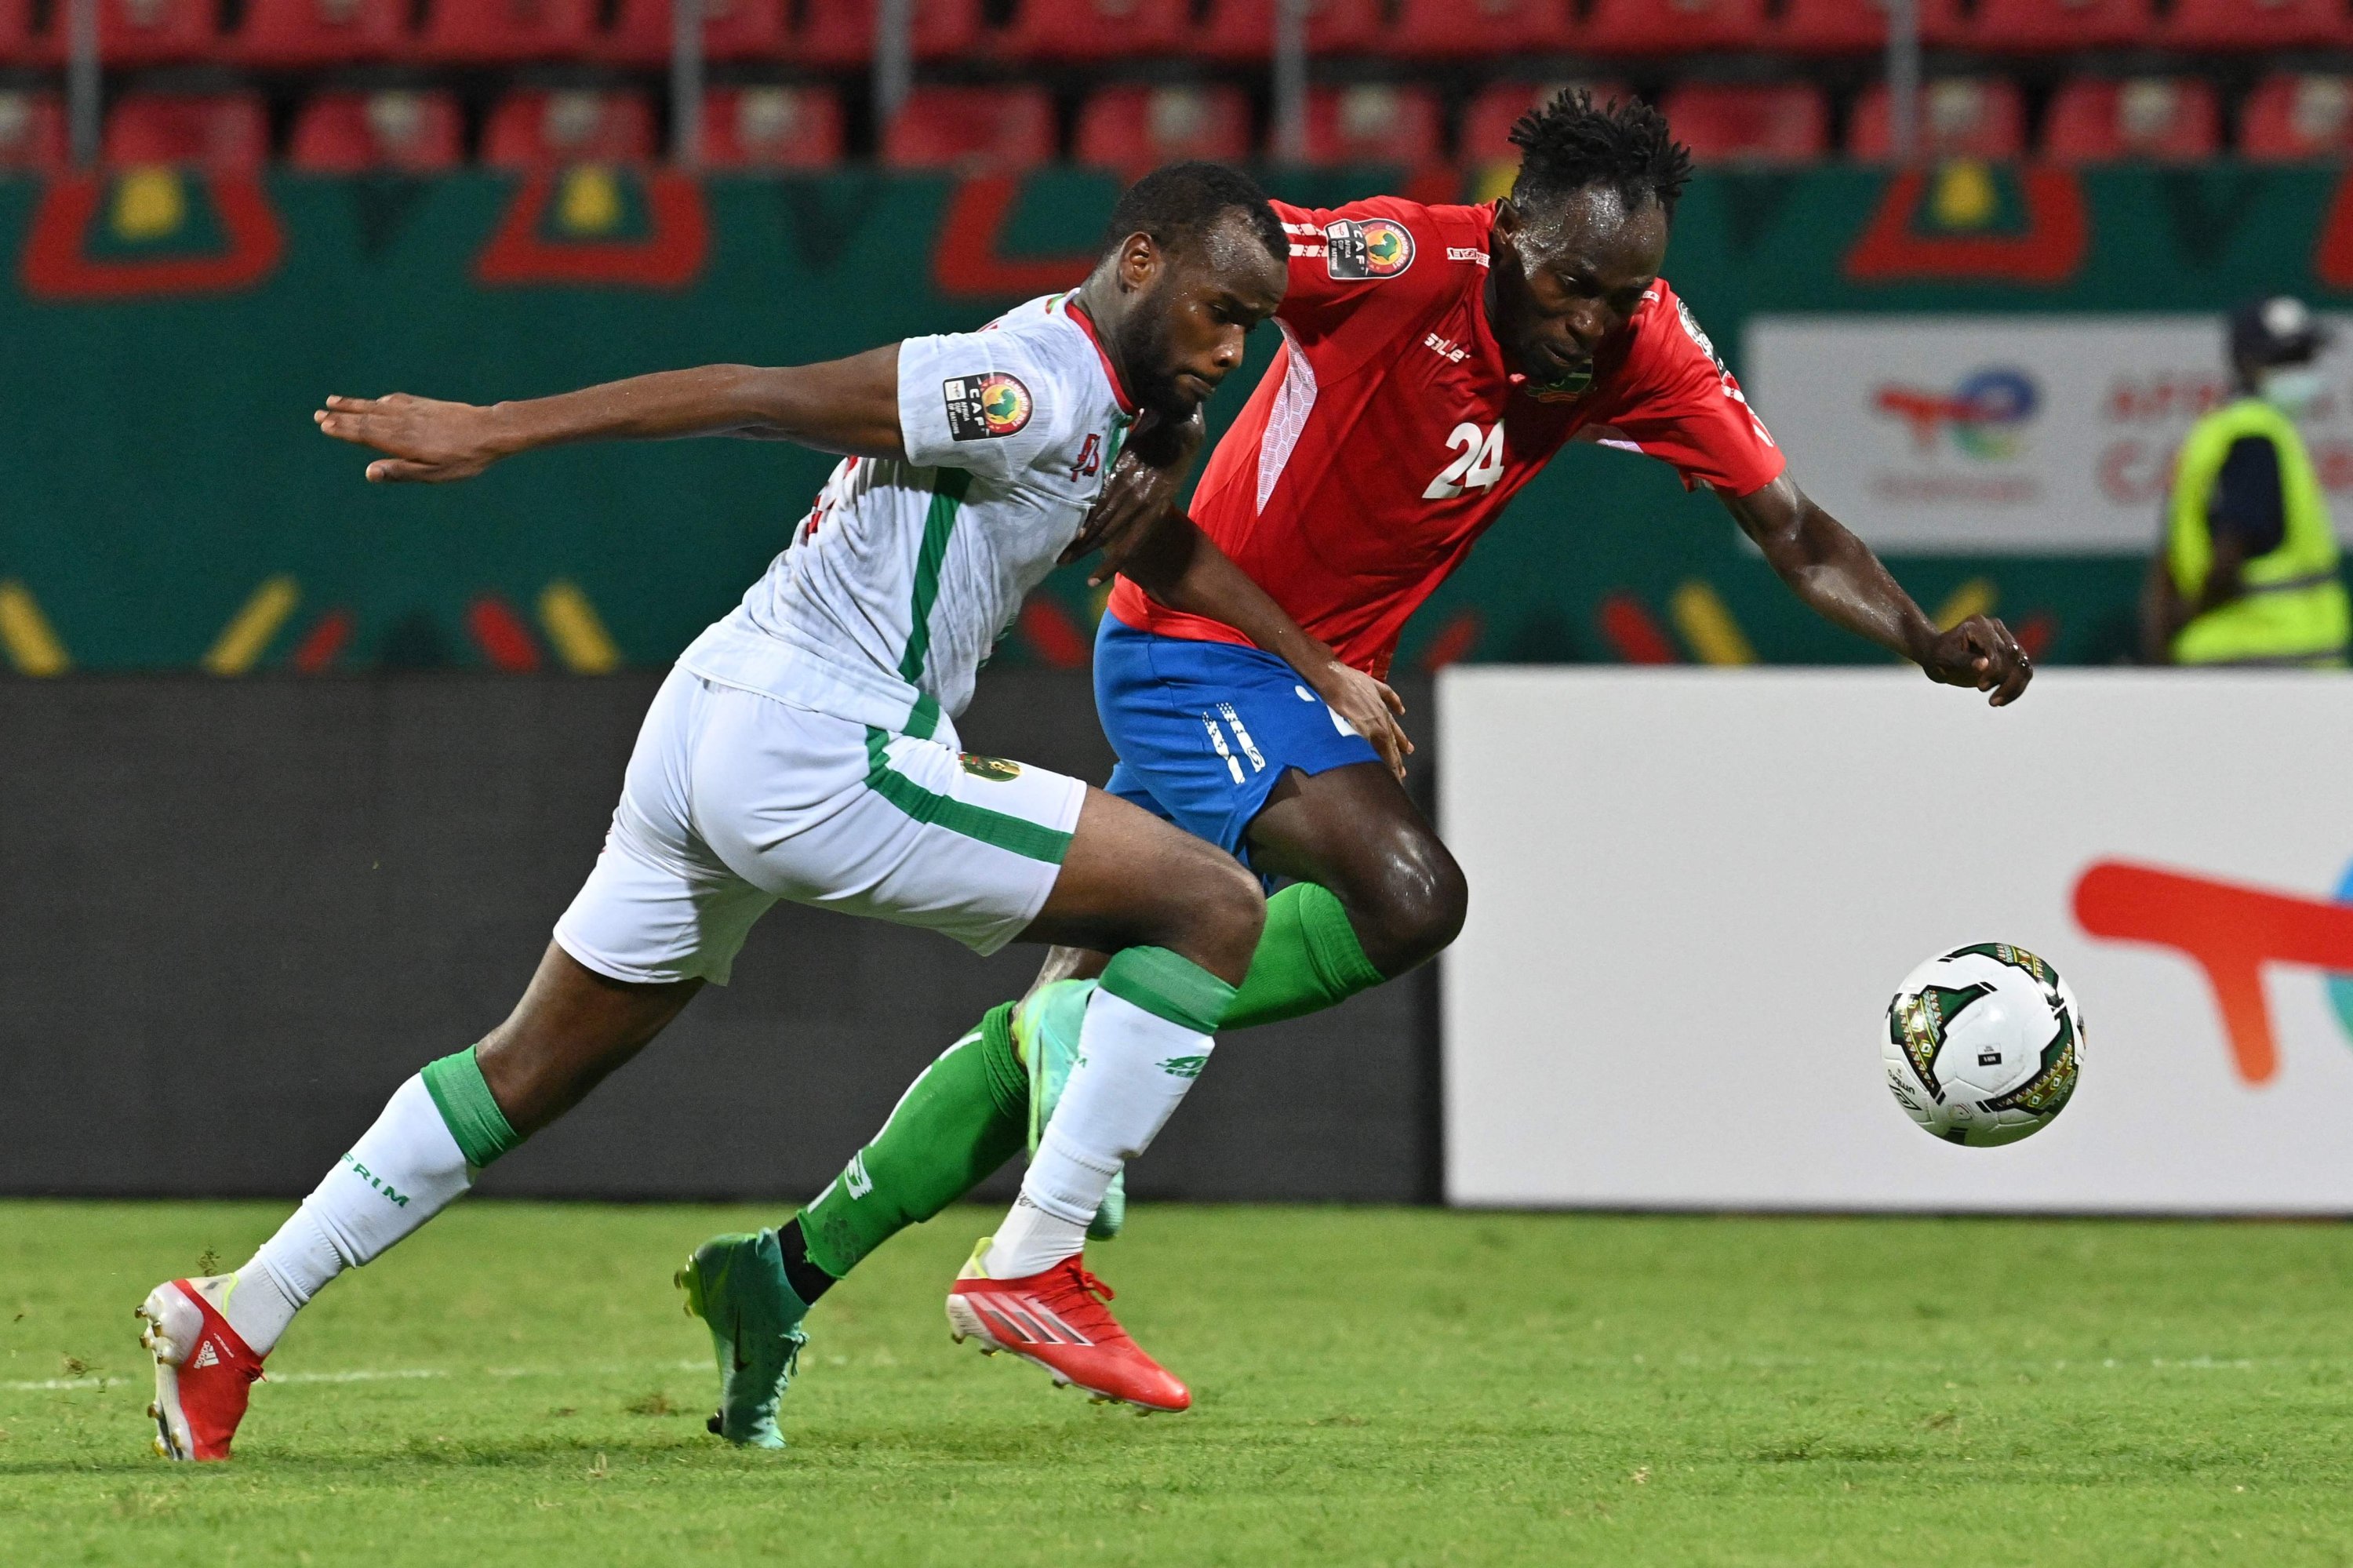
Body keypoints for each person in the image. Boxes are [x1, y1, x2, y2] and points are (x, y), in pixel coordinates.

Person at [696, 92, 2035, 1442]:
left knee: (1079, 1033)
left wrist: (1922, 636)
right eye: (1572, 283)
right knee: (1409, 895)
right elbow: (1212, 251)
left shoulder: (1646, 349)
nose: (1595, 321)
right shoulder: (1402, 261)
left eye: (1626, 294)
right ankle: (1053, 1137)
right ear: (1510, 234)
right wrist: (1137, 422)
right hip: (1196, 648)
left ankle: (782, 1269)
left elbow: (1792, 527)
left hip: (1297, 684)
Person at [133, 164, 1395, 1461]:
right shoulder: (1022, 383)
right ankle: (1036, 1255)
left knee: (526, 1067)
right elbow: (762, 393)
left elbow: (1157, 539)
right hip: (820, 740)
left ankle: (236, 1316)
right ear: (1140, 264)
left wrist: (1311, 658)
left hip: (714, 716)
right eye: (1220, 312)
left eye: (1253, 325)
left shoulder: (1099, 392)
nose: (1234, 349)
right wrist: (498, 427)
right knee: (1211, 901)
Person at [2140, 294, 2351, 668]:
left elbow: (2169, 561)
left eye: (2306, 356)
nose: (2303, 370)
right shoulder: (2255, 433)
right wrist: (2185, 620)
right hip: (2264, 662)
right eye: (2287, 359)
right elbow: (2229, 553)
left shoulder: (2218, 430)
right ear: (2249, 364)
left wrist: (2165, 635)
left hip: (2235, 659)